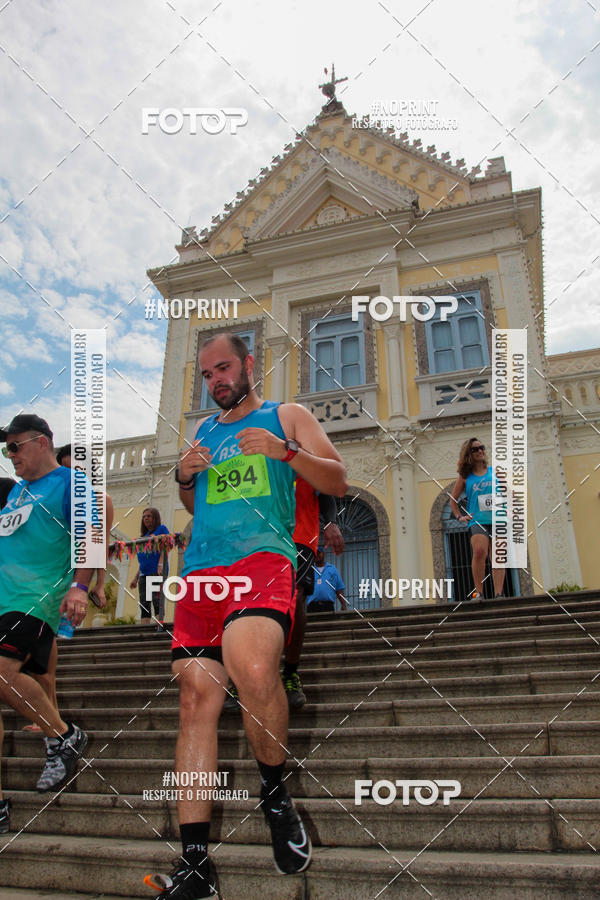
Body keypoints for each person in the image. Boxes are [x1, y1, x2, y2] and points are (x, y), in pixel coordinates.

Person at [144, 333, 347, 899]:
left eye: (224, 368)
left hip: (264, 558)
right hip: (205, 568)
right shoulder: (204, 432)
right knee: (193, 699)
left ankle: (275, 796)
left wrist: (286, 451)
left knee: (254, 668)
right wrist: (185, 479)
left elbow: (338, 479)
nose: (216, 381)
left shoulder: (288, 414)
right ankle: (195, 865)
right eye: (207, 374)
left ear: (249, 365)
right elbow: (198, 504)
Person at [0, 414, 91, 835]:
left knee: (2, 671)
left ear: (41, 442)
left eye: (14, 447)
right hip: (3, 600)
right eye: (6, 449)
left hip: (34, 601)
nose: (9, 456)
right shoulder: (16, 493)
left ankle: (63, 733)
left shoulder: (71, 483)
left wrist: (79, 588)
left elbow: (90, 537)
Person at [23, 445, 114, 734]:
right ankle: (49, 717)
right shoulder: (54, 494)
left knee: (46, 649)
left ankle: (51, 720)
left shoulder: (101, 499)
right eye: (65, 468)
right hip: (45, 577)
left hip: (72, 580)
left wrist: (97, 585)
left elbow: (100, 544)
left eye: (77, 469)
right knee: (43, 649)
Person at [450, 436, 505, 600]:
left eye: (482, 447)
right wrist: (460, 516)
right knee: (480, 552)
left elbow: (508, 491)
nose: (480, 451)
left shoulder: (493, 471)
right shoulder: (465, 476)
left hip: (498, 518)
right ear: (469, 453)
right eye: (475, 449)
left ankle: (498, 593)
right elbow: (453, 499)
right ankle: (479, 592)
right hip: (477, 520)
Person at [129, 508, 170, 626]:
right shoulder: (144, 536)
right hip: (143, 573)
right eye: (144, 516)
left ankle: (159, 626)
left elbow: (165, 546)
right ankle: (144, 629)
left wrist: (161, 563)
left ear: (155, 518)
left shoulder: (161, 529)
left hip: (156, 571)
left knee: (156, 600)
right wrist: (135, 578)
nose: (146, 518)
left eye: (149, 516)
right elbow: (143, 561)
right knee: (144, 603)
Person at [306, 547, 347, 613]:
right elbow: (303, 589)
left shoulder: (332, 569)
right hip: (312, 606)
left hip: (328, 606)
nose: (317, 555)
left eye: (319, 553)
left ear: (324, 554)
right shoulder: (309, 570)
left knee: (328, 623)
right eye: (315, 554)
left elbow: (339, 589)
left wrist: (343, 605)